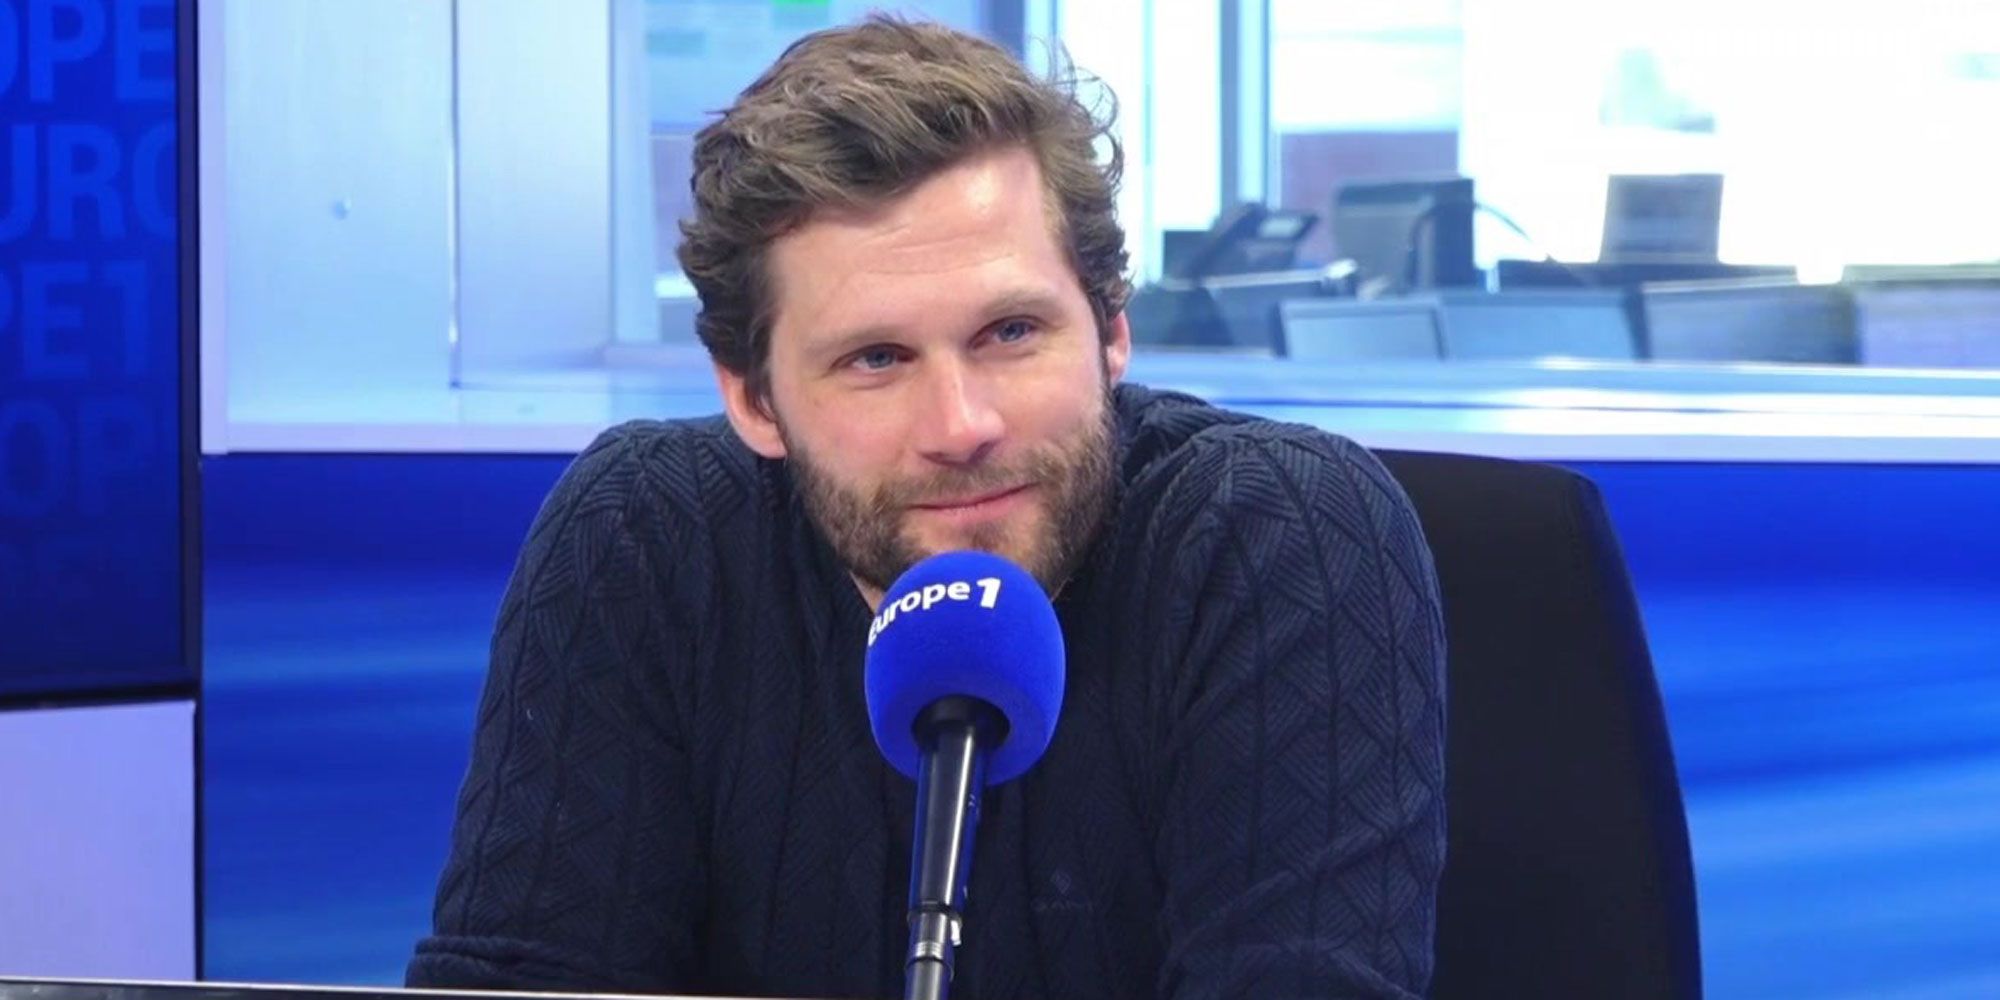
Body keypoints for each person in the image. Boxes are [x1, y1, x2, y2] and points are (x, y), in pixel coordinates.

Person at [408, 15, 1445, 999]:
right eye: (876, 358)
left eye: (1010, 332)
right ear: (753, 401)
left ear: (1110, 332)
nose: (960, 424)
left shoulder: (1277, 533)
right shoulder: (647, 535)